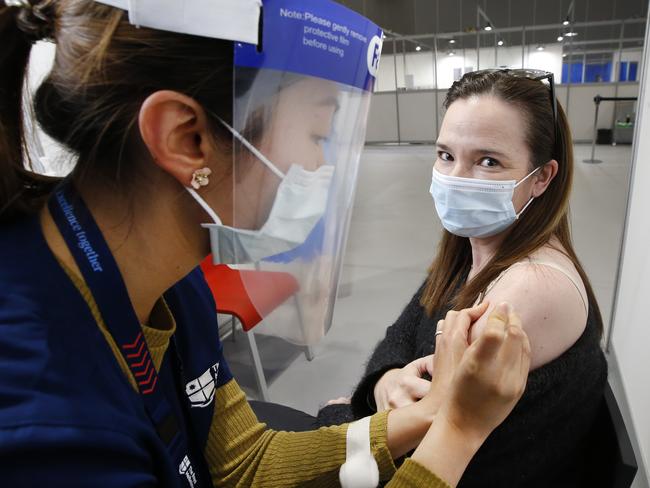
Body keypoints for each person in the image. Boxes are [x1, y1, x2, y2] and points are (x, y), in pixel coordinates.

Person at [0, 1, 533, 487]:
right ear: (186, 139)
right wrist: (460, 431)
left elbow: (242, 460)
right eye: (317, 135)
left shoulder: (170, 280)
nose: (323, 166)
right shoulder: (47, 427)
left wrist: (428, 413)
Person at [318, 69, 608, 487]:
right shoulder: (471, 246)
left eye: (488, 161)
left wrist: (340, 414)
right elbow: (402, 331)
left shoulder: (527, 288)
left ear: (542, 177)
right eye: (446, 155)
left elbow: (429, 447)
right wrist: (385, 380)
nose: (454, 178)